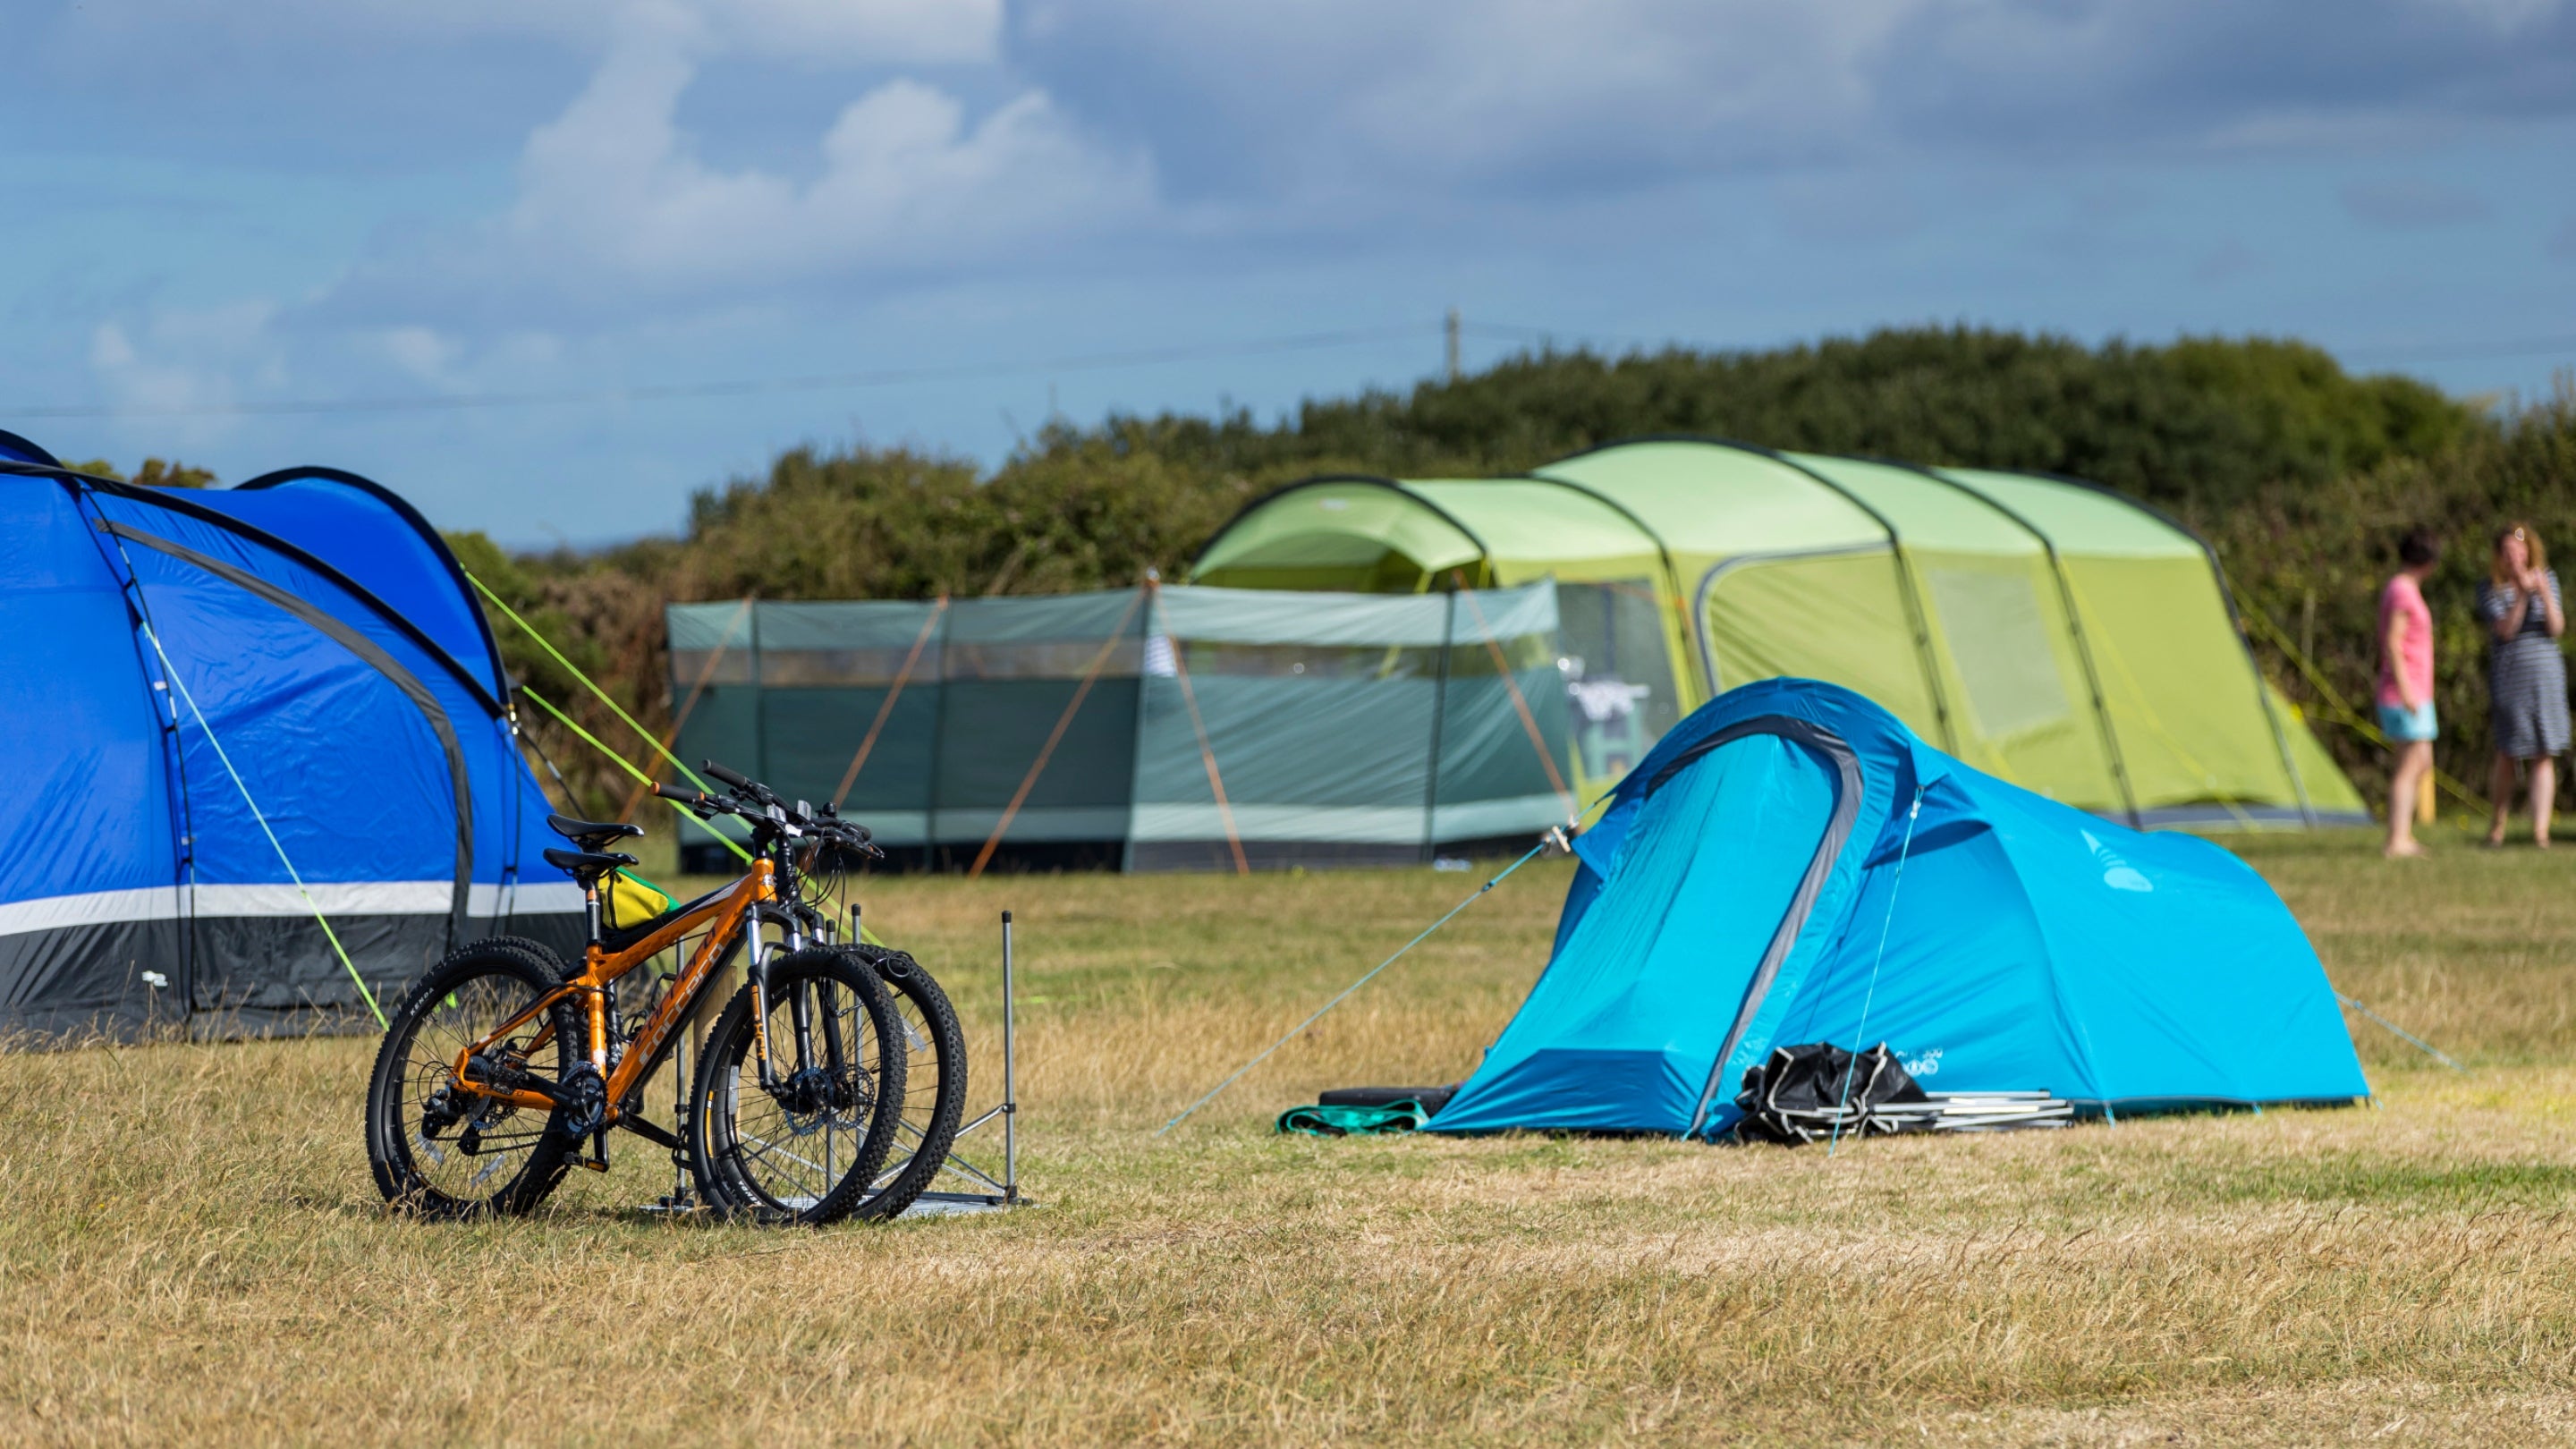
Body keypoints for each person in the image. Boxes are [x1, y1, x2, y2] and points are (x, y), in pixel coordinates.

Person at [2478, 521, 2568, 847]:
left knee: (2544, 751)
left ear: (2529, 549)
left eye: (2518, 549)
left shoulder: (2548, 578)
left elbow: (2556, 626)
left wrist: (2541, 590)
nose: (2513, 556)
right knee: (2508, 750)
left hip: (2545, 674)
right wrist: (2521, 596)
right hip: (2510, 674)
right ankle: (2497, 826)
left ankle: (2540, 831)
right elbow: (2505, 629)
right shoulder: (2490, 588)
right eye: (2506, 551)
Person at [2378, 529, 2442, 858]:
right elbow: (2393, 641)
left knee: (2421, 761)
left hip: (2414, 689)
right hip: (2406, 690)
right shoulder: (2403, 591)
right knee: (2411, 763)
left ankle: (2403, 834)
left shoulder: (2401, 587)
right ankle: (2397, 839)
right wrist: (2406, 691)